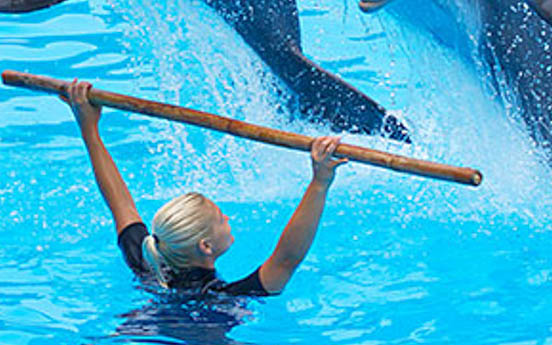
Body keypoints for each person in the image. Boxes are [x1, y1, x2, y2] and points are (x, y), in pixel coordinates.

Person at [64, 80, 347, 296]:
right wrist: (320, 182)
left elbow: (121, 205)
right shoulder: (222, 300)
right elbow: (287, 258)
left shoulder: (148, 263)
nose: (227, 218)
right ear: (206, 246)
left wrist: (88, 126)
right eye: (219, 217)